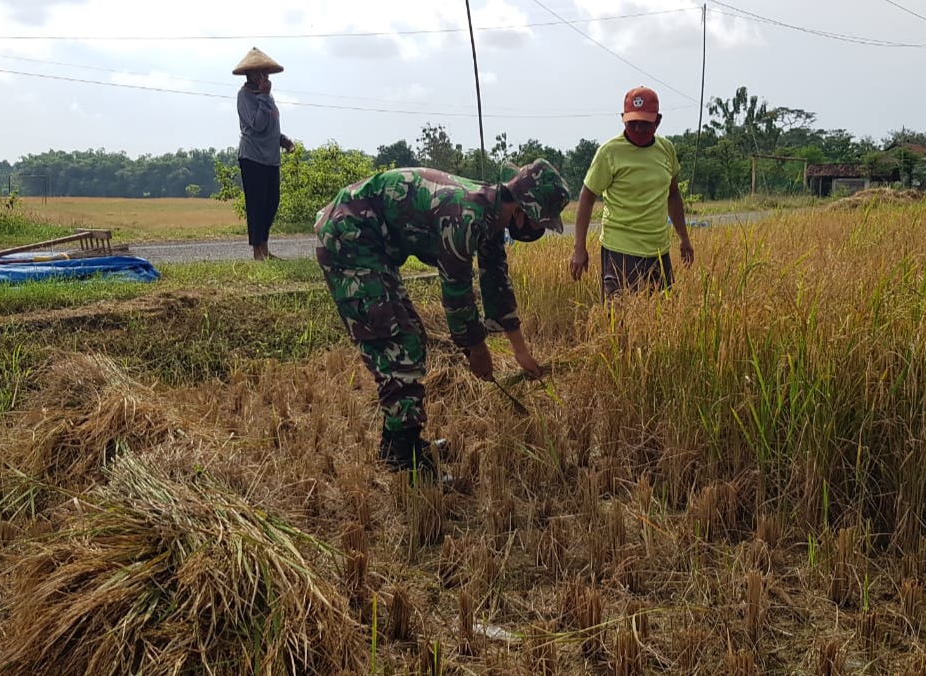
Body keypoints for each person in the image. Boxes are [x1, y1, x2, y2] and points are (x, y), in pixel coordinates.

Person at [314, 159, 571, 479]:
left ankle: (396, 442)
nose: (540, 231)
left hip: (371, 242)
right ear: (522, 210)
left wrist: (520, 351)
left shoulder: (491, 216)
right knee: (397, 341)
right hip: (349, 235)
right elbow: (457, 293)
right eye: (541, 223)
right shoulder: (466, 216)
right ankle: (404, 459)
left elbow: (497, 284)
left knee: (410, 337)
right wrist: (475, 349)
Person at [569, 86, 695, 298]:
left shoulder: (666, 150)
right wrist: (579, 248)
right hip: (620, 250)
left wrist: (684, 237)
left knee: (660, 320)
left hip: (658, 250)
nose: (638, 129)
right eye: (632, 123)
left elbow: (673, 194)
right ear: (622, 118)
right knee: (618, 320)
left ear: (658, 120)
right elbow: (587, 197)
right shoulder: (609, 152)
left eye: (645, 124)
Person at [233, 47, 295, 261]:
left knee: (272, 202)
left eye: (265, 73)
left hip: (271, 158)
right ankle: (257, 253)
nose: (263, 77)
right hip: (252, 157)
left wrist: (283, 140)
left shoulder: (267, 96)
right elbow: (257, 125)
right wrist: (264, 97)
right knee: (257, 204)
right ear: (249, 75)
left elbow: (271, 125)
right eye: (258, 73)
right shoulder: (245, 96)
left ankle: (265, 247)